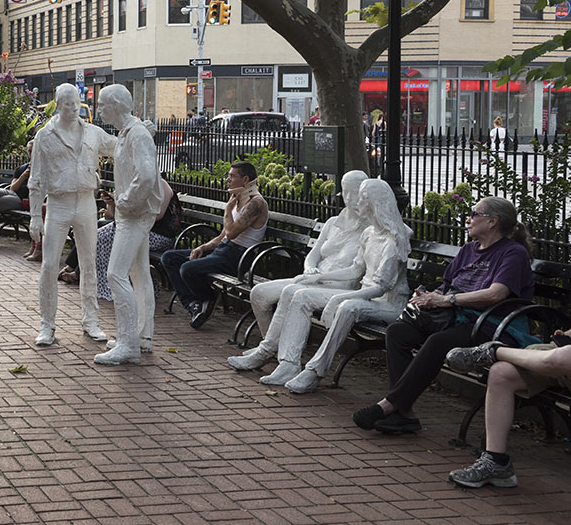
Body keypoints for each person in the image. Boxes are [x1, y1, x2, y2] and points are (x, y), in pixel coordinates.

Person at [352, 196, 535, 435]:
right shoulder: (469, 249)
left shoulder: (513, 253)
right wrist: (428, 296)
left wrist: (446, 300)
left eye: (474, 214)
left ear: (492, 221)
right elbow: (447, 285)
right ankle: (402, 413)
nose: (468, 219)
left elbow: (496, 294)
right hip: (454, 317)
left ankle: (390, 405)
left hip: (492, 324)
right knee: (398, 331)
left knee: (438, 342)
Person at [255, 178, 412, 392]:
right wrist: (315, 278)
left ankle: (315, 371)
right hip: (365, 296)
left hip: (387, 304)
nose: (359, 203)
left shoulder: (395, 240)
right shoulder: (369, 234)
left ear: (376, 203)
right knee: (301, 294)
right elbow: (356, 270)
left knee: (348, 307)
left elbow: (381, 287)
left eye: (364, 198)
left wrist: (340, 298)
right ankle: (289, 364)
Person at [229, 170, 368, 367]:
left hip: (339, 286)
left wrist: (317, 278)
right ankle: (273, 346)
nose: (351, 198)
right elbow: (314, 254)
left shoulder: (369, 229)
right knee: (259, 292)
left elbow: (357, 271)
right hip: (313, 278)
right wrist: (310, 268)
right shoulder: (333, 223)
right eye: (347, 192)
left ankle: (267, 351)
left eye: (356, 192)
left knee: (293, 292)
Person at [29, 83, 117, 346]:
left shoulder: (92, 132)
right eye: (67, 103)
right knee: (48, 265)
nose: (72, 107)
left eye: (76, 102)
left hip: (86, 203)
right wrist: (35, 215)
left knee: (89, 264)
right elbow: (36, 179)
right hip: (58, 204)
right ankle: (47, 324)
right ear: (57, 103)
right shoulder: (46, 136)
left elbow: (118, 146)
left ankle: (91, 321)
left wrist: (139, 132)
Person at [443, 332, 571, 488]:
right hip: (558, 364)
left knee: (564, 356)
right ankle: (496, 463)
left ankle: (493, 351)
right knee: (501, 373)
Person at [92, 84, 161, 364]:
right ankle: (141, 335)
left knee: (116, 274)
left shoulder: (136, 135)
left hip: (134, 214)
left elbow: (146, 176)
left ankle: (128, 343)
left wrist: (125, 201)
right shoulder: (128, 133)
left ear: (117, 105)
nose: (98, 109)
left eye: (102, 104)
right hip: (132, 213)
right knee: (139, 273)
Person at [160, 161, 267, 329]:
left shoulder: (256, 203)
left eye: (232, 176)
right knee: (170, 258)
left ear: (245, 179)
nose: (227, 179)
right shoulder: (239, 199)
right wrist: (202, 247)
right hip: (224, 250)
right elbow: (223, 236)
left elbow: (231, 233)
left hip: (238, 256)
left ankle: (208, 297)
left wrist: (228, 209)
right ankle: (194, 305)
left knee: (187, 269)